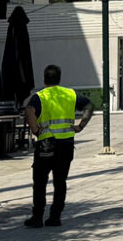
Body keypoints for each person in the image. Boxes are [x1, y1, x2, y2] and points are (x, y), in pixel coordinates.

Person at [23, 65, 94, 229]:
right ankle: (55, 217)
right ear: (59, 78)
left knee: (40, 182)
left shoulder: (40, 96)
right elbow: (89, 106)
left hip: (46, 144)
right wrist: (80, 126)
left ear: (44, 79)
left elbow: (29, 110)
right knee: (60, 182)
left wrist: (35, 130)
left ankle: (37, 217)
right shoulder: (70, 94)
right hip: (66, 144)